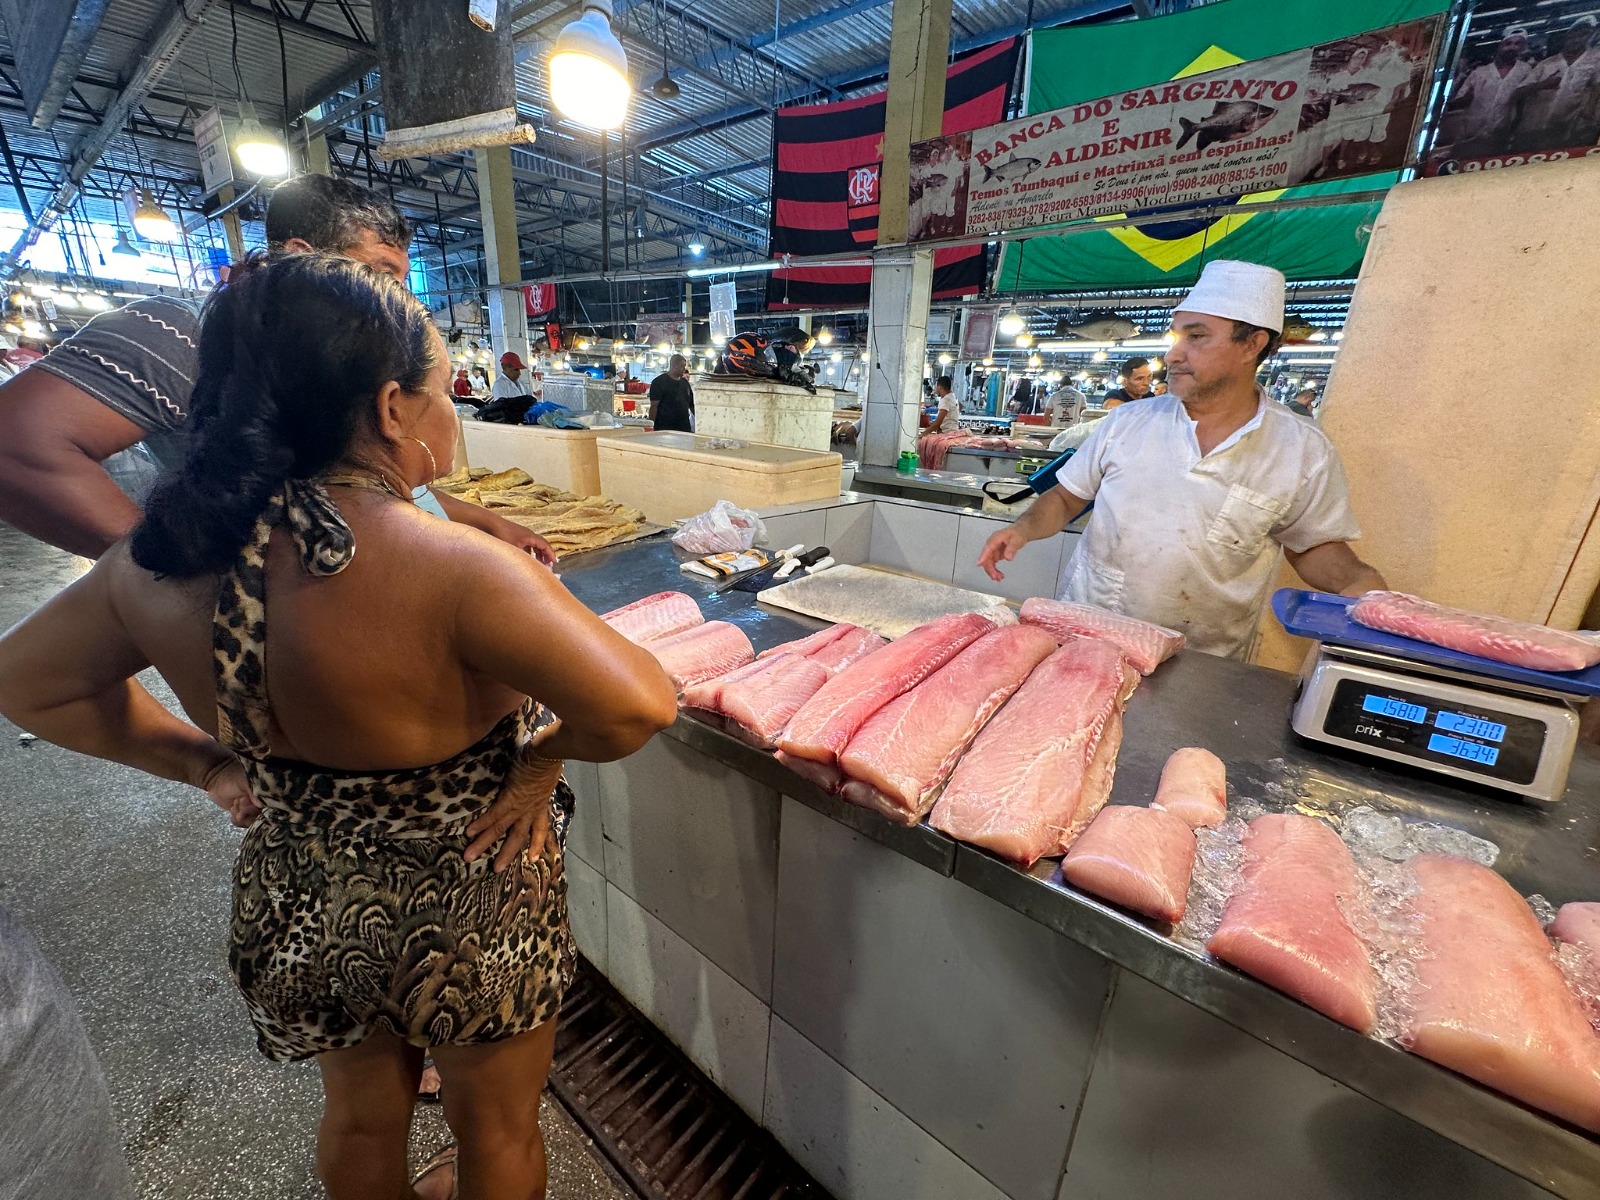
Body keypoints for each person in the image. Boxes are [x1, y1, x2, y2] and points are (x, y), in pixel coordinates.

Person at [0, 255, 680, 1200]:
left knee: (360, 1115)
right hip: (470, 892)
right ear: (393, 408)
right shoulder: (457, 568)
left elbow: (30, 687)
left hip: (301, 894)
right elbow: (639, 702)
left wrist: (207, 766)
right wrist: (539, 766)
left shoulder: (152, 567)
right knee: (499, 1131)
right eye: (441, 393)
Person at [0, 173, 550, 565]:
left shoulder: (339, 358)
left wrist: (486, 524)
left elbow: (359, 483)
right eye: (379, 272)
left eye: (399, 279)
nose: (392, 294)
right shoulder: (187, 330)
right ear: (298, 253)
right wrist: (158, 570)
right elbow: (16, 443)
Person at [978, 259, 1386, 660]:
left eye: (1196, 337)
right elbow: (1067, 498)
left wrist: (1357, 583)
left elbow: (1311, 547)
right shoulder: (1127, 424)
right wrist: (1023, 529)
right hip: (1089, 634)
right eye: (1176, 337)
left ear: (1252, 344)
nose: (1173, 355)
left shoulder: (1301, 450)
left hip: (1198, 660)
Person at [1446, 28, 1535, 155]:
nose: (1512, 48)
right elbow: (1458, 102)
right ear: (1499, 46)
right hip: (1469, 135)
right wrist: (1464, 99)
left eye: (1517, 44)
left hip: (1501, 136)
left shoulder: (1525, 70)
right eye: (1508, 44)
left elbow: (1524, 102)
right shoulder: (1479, 73)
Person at [648, 353, 696, 433]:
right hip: (664, 428)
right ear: (674, 366)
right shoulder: (658, 382)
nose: (684, 369)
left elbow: (691, 405)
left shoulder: (685, 383)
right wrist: (651, 426)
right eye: (682, 366)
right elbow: (654, 407)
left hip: (684, 428)